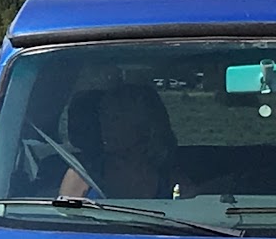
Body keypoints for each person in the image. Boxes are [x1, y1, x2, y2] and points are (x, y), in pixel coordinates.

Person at [57, 83, 188, 199]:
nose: (106, 125)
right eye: (104, 116)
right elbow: (64, 223)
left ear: (145, 125)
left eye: (117, 118)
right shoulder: (82, 176)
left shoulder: (169, 178)